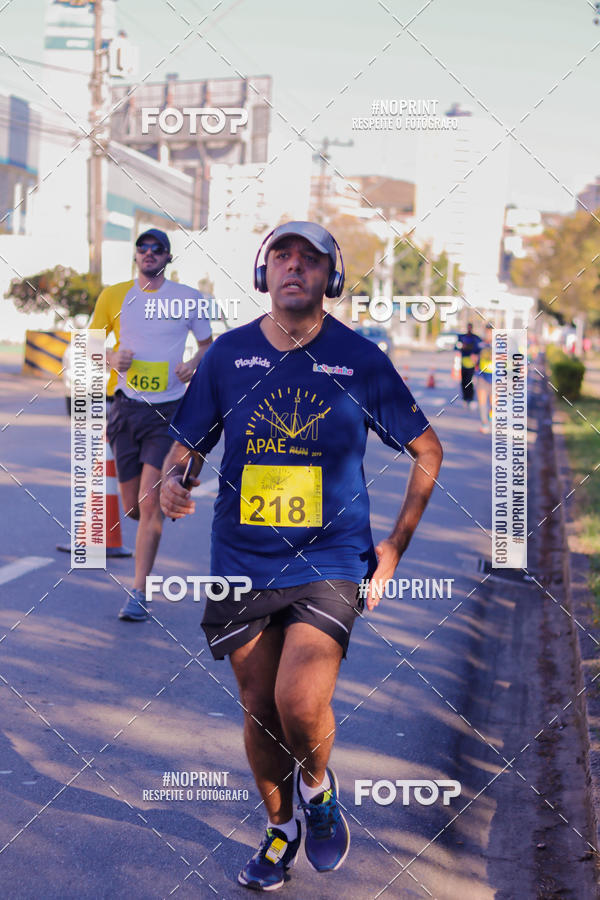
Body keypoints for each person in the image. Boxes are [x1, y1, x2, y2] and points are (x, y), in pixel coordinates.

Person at [159, 221, 443, 891]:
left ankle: (316, 788)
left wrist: (395, 545)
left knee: (298, 699)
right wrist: (173, 479)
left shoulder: (359, 359)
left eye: (309, 259)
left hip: (331, 559)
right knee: (260, 709)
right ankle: (280, 829)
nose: (293, 267)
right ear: (264, 274)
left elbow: (427, 449)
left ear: (330, 277)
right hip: (242, 559)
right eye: (281, 256)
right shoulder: (228, 355)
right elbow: (187, 445)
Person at [89, 228, 212, 621]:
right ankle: (158, 509)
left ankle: (138, 592)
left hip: (168, 413)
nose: (149, 253)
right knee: (134, 508)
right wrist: (110, 358)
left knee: (147, 501)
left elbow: (208, 345)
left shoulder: (188, 298)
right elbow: (89, 344)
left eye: (157, 249)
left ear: (167, 258)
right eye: (142, 247)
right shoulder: (114, 296)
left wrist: (193, 364)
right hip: (126, 411)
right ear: (135, 255)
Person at [455, 322, 482, 404]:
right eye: (468, 327)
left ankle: (470, 397)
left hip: (472, 363)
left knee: (469, 380)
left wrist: (476, 357)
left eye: (470, 327)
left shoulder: (476, 338)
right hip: (463, 361)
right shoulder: (462, 337)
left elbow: (479, 349)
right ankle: (465, 397)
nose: (469, 329)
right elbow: (457, 346)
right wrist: (461, 347)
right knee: (464, 381)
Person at [476, 324, 494, 433]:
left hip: (496, 378)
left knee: (493, 404)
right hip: (482, 377)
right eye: (487, 332)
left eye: (491, 332)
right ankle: (485, 423)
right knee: (482, 402)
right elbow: (474, 356)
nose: (488, 334)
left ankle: (491, 421)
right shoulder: (480, 344)